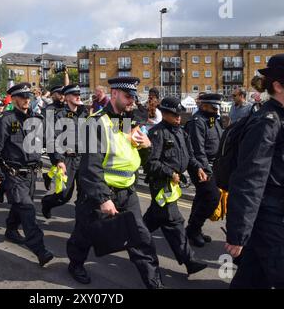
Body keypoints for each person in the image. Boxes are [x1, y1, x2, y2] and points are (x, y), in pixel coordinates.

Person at [67, 77, 164, 289]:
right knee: (84, 235)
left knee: (141, 238)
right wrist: (103, 199)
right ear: (114, 95)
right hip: (99, 194)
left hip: (127, 192)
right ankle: (75, 264)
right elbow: (90, 167)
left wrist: (148, 145)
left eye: (134, 97)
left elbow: (144, 157)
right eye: (128, 96)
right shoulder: (95, 123)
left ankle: (154, 284)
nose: (132, 101)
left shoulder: (132, 120)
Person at [226, 53, 284, 288]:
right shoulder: (267, 122)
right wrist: (238, 232)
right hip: (272, 217)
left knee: (252, 277)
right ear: (278, 86)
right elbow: (250, 178)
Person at [0, 82, 54, 267]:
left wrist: (60, 160)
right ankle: (40, 249)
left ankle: (11, 228)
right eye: (22, 97)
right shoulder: (5, 120)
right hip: (13, 174)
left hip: (31, 174)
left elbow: (50, 141)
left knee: (21, 205)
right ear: (14, 99)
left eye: (28, 97)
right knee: (28, 209)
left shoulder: (37, 119)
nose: (26, 100)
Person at [143, 97, 208, 276]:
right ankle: (190, 260)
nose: (178, 118)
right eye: (174, 115)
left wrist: (198, 168)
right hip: (161, 184)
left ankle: (133, 235)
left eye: (180, 114)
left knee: (152, 219)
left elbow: (190, 155)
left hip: (174, 184)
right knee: (174, 221)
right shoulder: (157, 133)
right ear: (164, 114)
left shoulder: (181, 132)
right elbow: (151, 163)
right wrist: (169, 172)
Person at [41, 84, 88, 219]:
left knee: (85, 194)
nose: (78, 96)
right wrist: (59, 160)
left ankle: (81, 224)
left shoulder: (84, 113)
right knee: (63, 195)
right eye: (74, 94)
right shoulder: (59, 115)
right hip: (67, 158)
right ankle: (47, 203)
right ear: (67, 97)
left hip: (83, 158)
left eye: (79, 94)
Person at [185, 93, 223, 247]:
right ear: (204, 106)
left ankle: (193, 229)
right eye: (213, 107)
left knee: (201, 197)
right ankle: (194, 229)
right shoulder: (197, 122)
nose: (216, 110)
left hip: (214, 165)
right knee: (213, 197)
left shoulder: (213, 120)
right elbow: (198, 149)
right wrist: (206, 169)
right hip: (200, 166)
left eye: (217, 107)